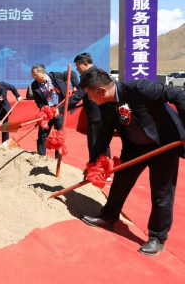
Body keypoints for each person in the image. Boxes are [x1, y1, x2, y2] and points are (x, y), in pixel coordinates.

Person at [79, 68, 185, 256]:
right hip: (134, 147)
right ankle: (108, 216)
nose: (89, 98)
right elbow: (104, 134)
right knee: (121, 182)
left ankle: (157, 237)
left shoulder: (139, 87)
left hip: (163, 144)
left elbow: (178, 94)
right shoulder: (106, 105)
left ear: (101, 91)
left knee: (161, 192)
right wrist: (93, 163)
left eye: (89, 94)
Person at [68, 53, 111, 170]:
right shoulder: (99, 72)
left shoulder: (90, 76)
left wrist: (61, 109)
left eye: (78, 66)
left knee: (95, 144)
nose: (77, 69)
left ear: (85, 63)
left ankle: (96, 170)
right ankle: (105, 169)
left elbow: (79, 96)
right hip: (104, 114)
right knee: (104, 143)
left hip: (96, 115)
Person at [30, 64, 78, 158]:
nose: (34, 77)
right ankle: (41, 156)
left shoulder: (56, 76)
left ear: (42, 72)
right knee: (42, 135)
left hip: (59, 110)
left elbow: (72, 73)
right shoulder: (34, 85)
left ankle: (57, 159)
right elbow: (38, 102)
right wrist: (45, 108)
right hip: (46, 112)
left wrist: (75, 85)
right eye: (33, 75)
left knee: (59, 136)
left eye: (35, 75)